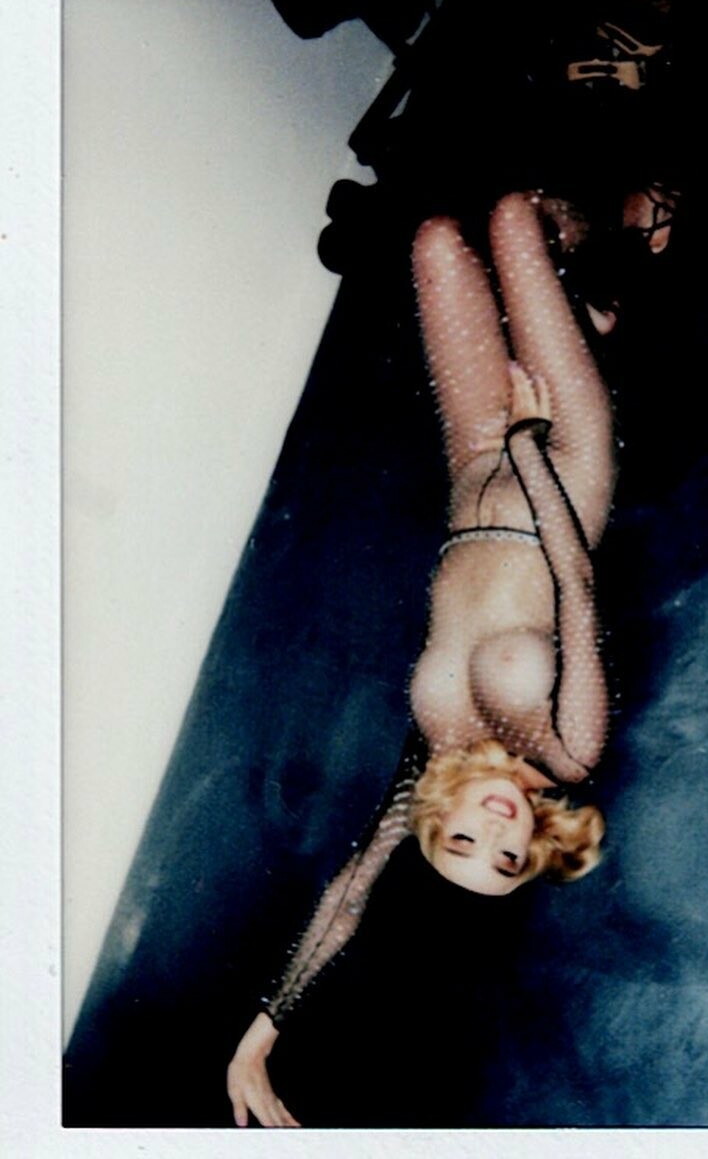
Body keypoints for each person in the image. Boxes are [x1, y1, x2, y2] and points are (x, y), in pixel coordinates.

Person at [227, 187, 675, 1126]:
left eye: (461, 843)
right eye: (507, 857)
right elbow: (576, 584)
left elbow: (351, 894)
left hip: (471, 466)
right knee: (513, 218)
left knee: (435, 241)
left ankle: (591, 307)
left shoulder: (435, 761)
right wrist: (532, 445)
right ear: (534, 849)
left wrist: (262, 1034)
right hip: (563, 461)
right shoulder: (567, 750)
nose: (493, 828)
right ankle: (627, 249)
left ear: (438, 827)